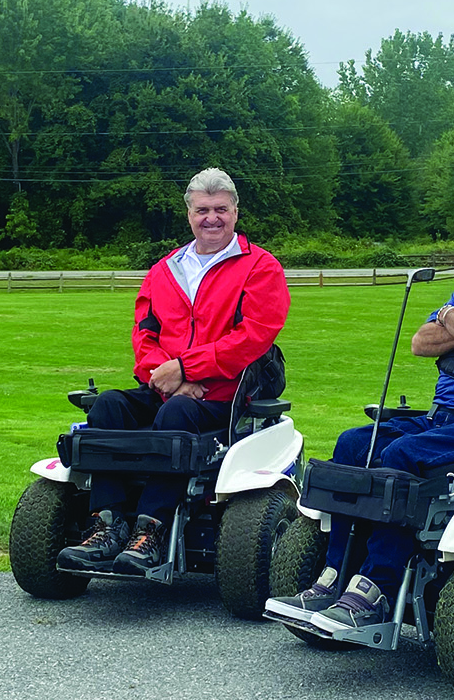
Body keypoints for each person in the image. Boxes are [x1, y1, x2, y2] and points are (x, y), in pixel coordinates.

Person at [271, 184, 454, 633]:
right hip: (444, 415)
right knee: (354, 444)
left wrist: (451, 319)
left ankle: (374, 590)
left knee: (401, 457)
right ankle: (334, 576)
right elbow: (420, 342)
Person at [56, 168, 289, 576]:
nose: (211, 218)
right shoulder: (165, 270)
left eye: (221, 209)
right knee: (109, 406)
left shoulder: (260, 268)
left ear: (235, 212)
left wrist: (187, 368)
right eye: (203, 210)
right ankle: (106, 526)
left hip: (224, 397)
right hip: (167, 388)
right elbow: (144, 333)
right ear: (189, 214)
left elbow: (255, 336)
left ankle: (152, 530)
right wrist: (167, 376)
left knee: (175, 416)